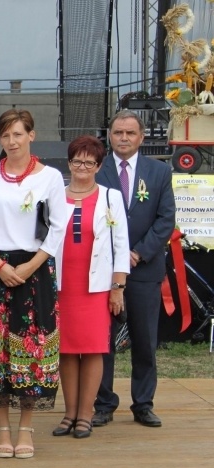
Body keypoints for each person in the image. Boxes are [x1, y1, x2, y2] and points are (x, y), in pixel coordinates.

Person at [0, 109, 67, 459]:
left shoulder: (51, 177)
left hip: (35, 270)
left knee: (30, 350)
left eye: (18, 134)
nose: (12, 141)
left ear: (31, 135)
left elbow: (57, 228)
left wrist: (28, 268)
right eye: (6, 136)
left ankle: (25, 427)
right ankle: (2, 428)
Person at [93, 110, 176, 428]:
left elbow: (165, 219)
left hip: (143, 270)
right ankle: (103, 403)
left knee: (144, 339)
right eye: (118, 133)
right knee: (104, 340)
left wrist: (137, 254)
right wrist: (114, 256)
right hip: (103, 272)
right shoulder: (97, 171)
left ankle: (143, 403)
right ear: (109, 136)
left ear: (141, 137)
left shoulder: (159, 172)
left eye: (130, 133)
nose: (123, 138)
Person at [52, 135, 129, 439]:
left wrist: (117, 286)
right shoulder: (54, 194)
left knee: (94, 348)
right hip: (62, 284)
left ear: (98, 165)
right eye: (76, 160)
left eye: (89, 161)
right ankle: (69, 413)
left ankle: (87, 414)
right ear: (68, 163)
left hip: (96, 286)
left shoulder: (110, 197)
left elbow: (121, 244)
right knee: (67, 350)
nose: (82, 166)